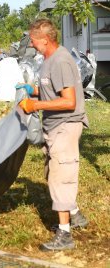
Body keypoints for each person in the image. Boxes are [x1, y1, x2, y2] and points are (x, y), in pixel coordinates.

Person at [16, 18, 89, 251]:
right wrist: (33, 91)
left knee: (61, 176)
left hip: (66, 125)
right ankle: (75, 215)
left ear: (45, 40)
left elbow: (69, 101)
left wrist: (35, 106)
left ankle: (65, 235)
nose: (32, 44)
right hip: (54, 126)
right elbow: (51, 90)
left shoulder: (61, 61)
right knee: (52, 172)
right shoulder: (48, 60)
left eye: (34, 40)